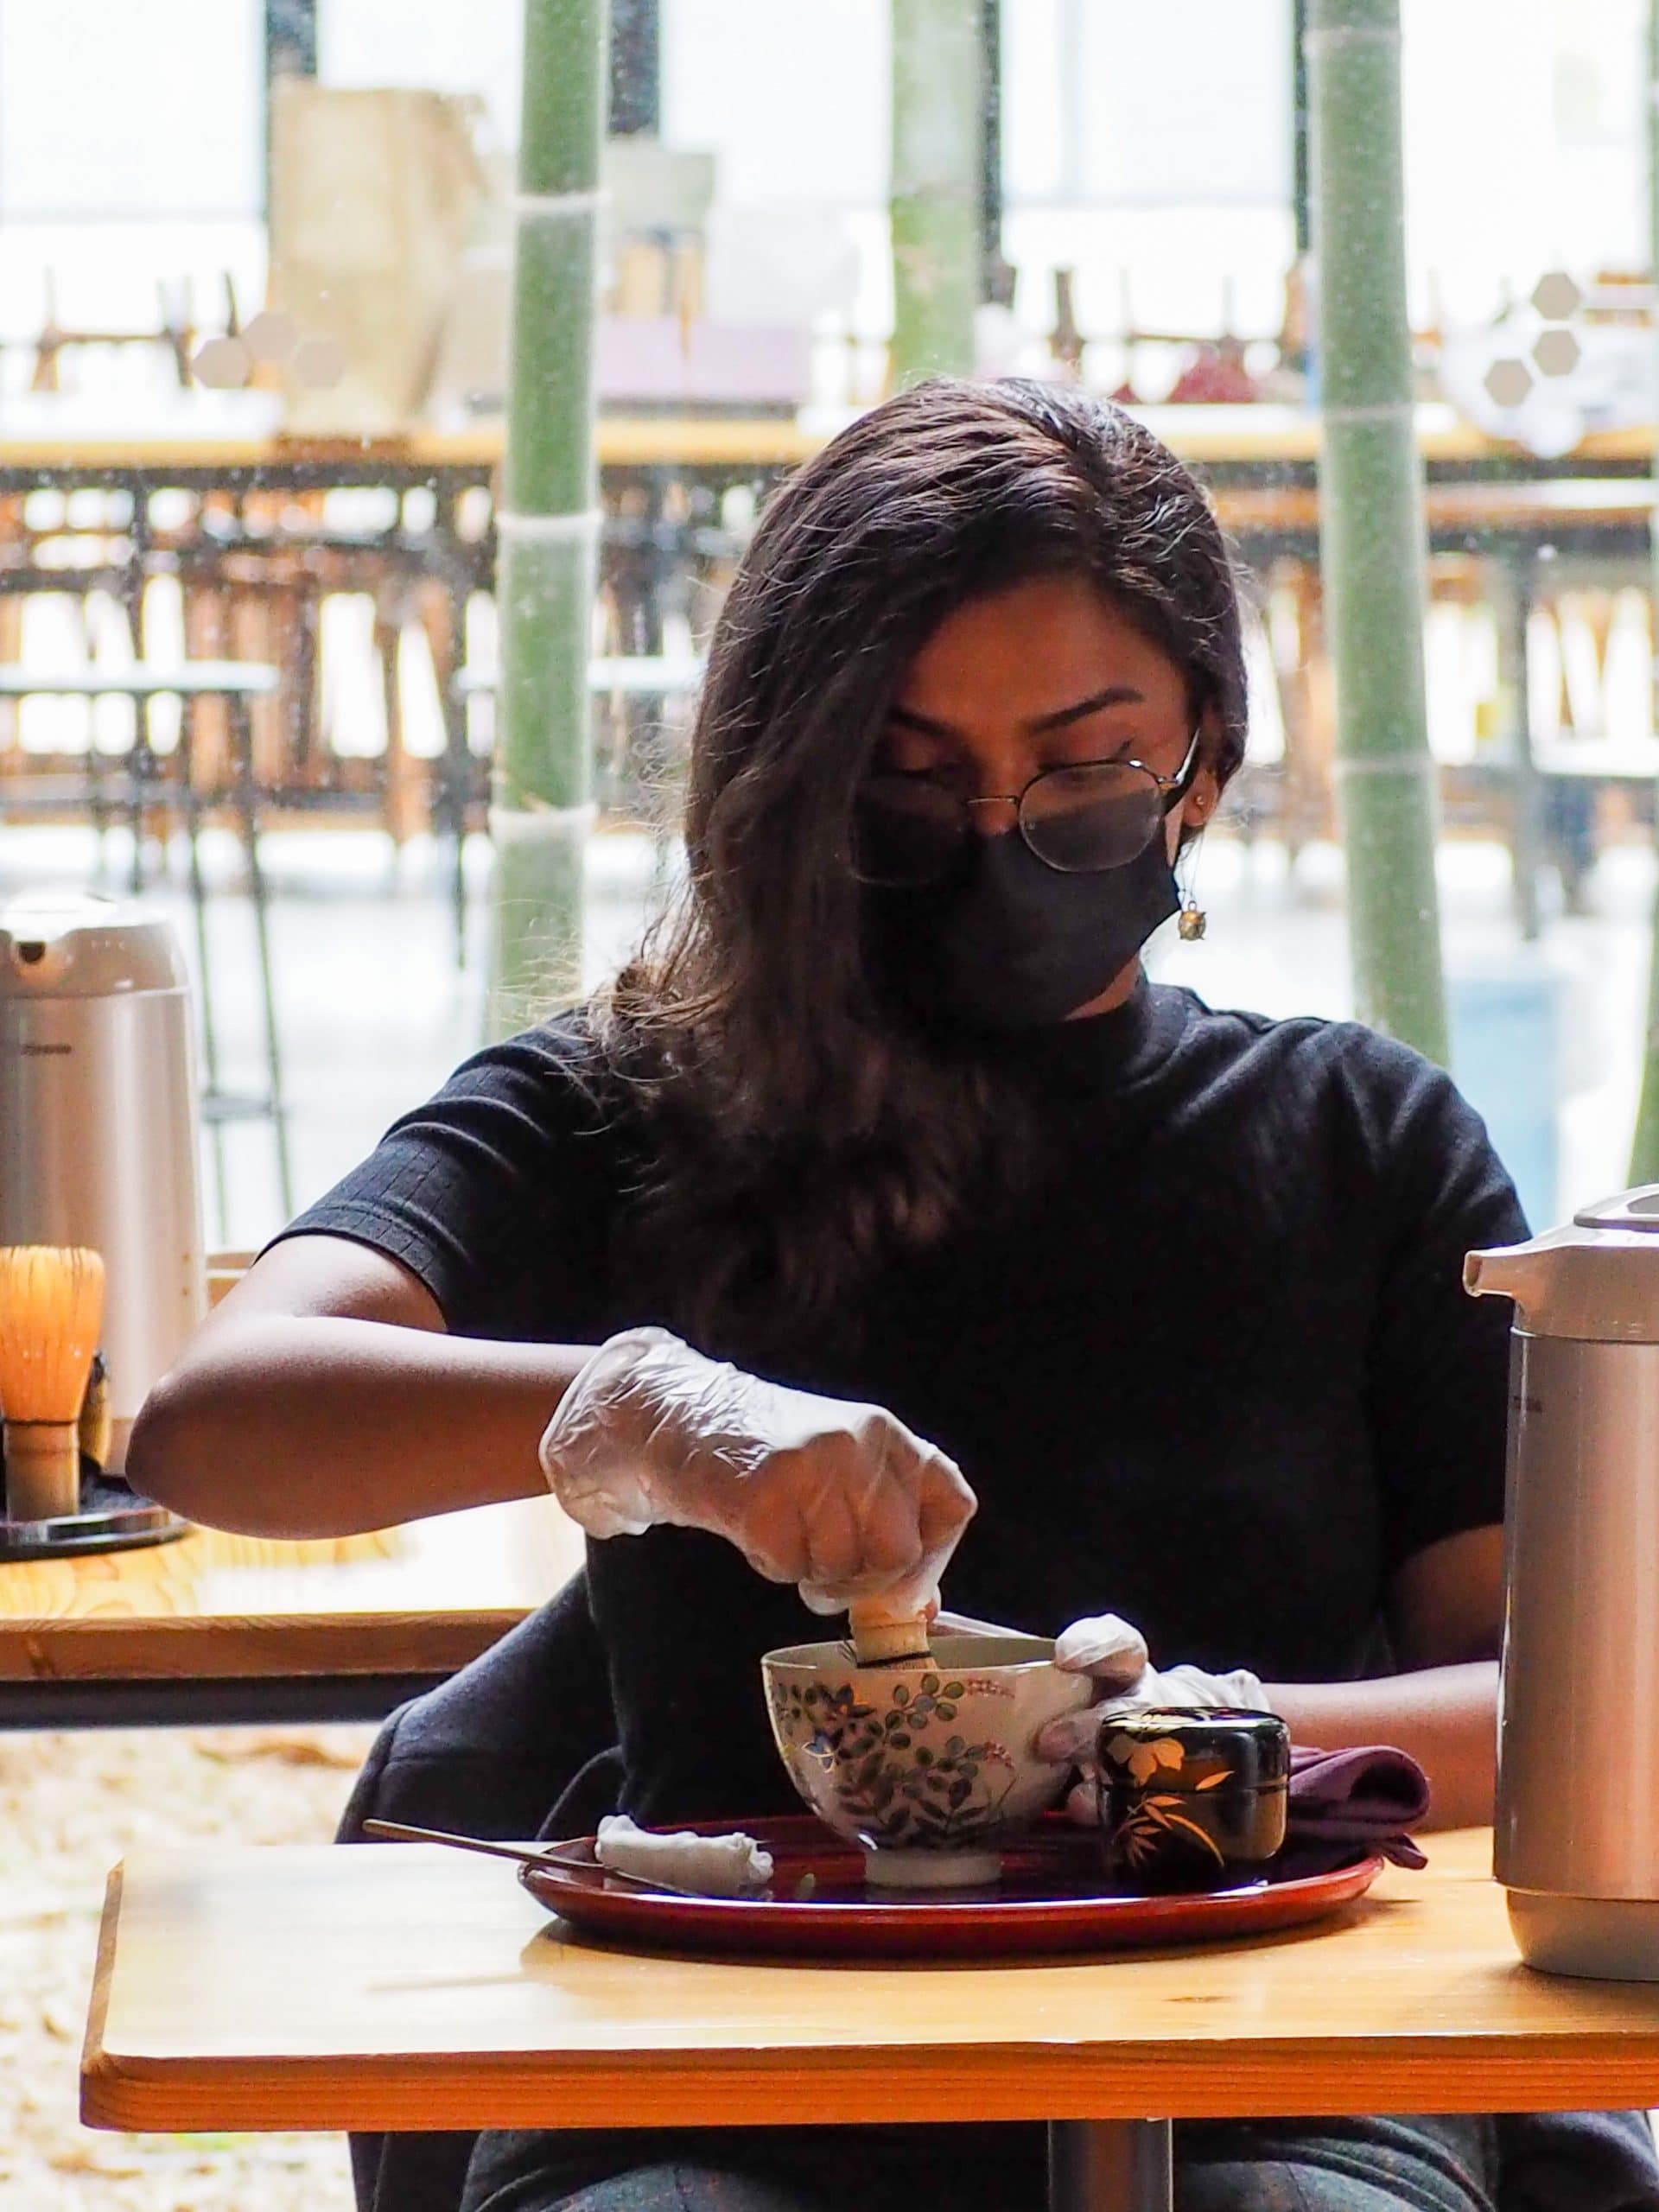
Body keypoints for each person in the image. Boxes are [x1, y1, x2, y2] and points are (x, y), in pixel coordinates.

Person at [129, 380, 1659, 2212]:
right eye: (915, 779)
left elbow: (1544, 1693)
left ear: (1207, 771)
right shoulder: (631, 1105)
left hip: (1265, 2049)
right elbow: (217, 1416)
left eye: (1084, 772)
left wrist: (1209, 1740)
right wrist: (644, 1411)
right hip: (703, 2060)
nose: (998, 829)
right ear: (798, 779)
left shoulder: (1359, 1142)